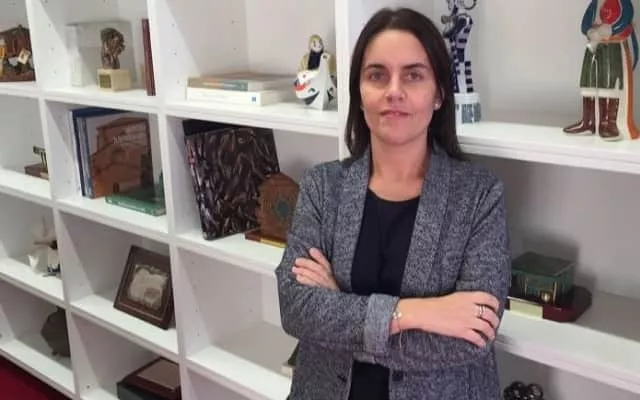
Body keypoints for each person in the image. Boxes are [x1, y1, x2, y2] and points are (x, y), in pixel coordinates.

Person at [275, 6, 511, 400]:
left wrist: (340, 309)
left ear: (439, 94)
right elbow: (297, 308)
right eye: (377, 75)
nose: (394, 91)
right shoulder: (322, 187)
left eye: (414, 75)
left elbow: (471, 337)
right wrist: (416, 313)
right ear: (359, 93)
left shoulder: (479, 196)